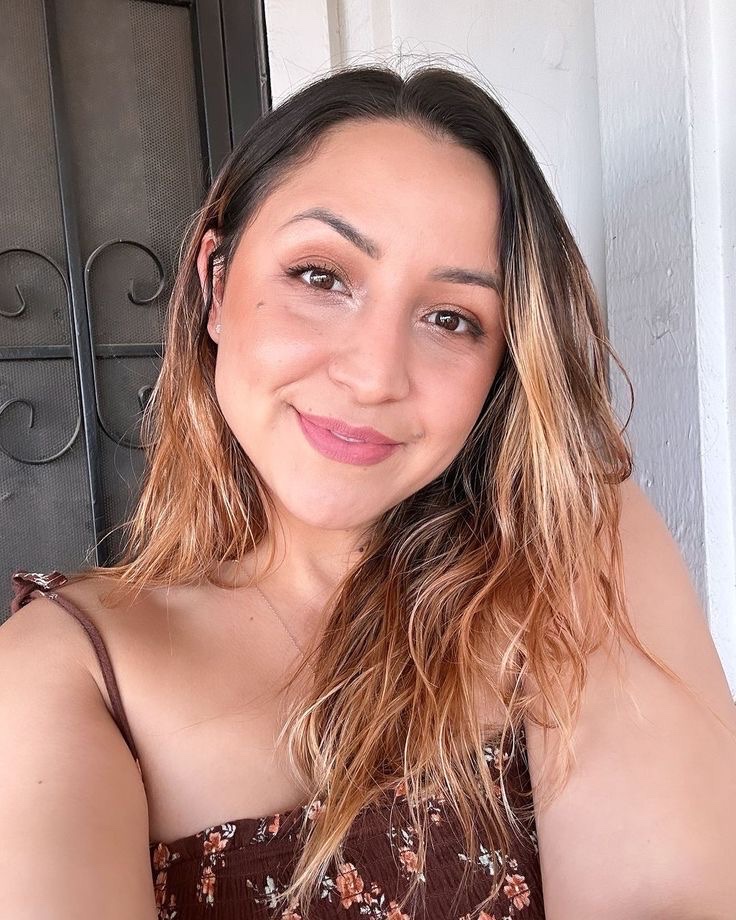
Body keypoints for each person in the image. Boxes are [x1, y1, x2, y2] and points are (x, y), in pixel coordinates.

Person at [2, 62, 735, 920]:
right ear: (216, 283)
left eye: (451, 318)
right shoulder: (71, 670)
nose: (375, 375)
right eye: (321, 277)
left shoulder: (569, 551)